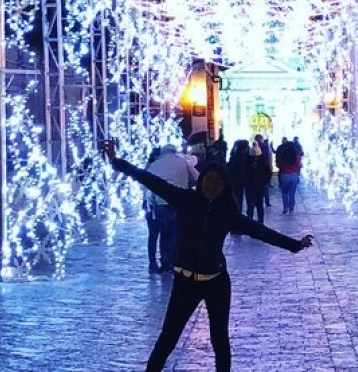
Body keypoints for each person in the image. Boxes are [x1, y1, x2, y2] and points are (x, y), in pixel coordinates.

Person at [102, 140, 313, 372]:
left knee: (219, 340)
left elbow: (260, 231)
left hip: (216, 283)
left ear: (224, 186)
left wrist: (294, 245)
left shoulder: (227, 213)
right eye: (209, 179)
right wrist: (116, 161)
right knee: (168, 339)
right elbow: (150, 180)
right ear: (201, 180)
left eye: (218, 182)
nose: (212, 185)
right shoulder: (186, 200)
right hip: (185, 282)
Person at [147, 143, 199, 271]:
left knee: (164, 233)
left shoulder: (156, 164)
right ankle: (175, 261)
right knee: (176, 232)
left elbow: (147, 183)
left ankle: (165, 262)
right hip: (179, 201)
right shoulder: (182, 162)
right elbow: (198, 176)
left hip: (160, 203)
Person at [144, 147, 163, 273]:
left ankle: (153, 261)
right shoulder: (156, 169)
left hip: (149, 205)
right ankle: (158, 261)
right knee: (159, 233)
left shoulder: (148, 168)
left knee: (153, 234)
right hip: (154, 205)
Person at [243, 142, 270, 224]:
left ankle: (252, 223)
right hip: (256, 187)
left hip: (253, 187)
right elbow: (268, 173)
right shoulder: (262, 163)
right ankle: (259, 223)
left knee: (252, 207)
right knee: (258, 206)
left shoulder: (247, 162)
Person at [277, 139, 301, 214]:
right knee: (292, 193)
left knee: (284, 193)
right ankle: (291, 208)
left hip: (284, 175)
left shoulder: (282, 156)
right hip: (294, 175)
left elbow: (278, 165)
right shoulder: (296, 156)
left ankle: (285, 208)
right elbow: (299, 165)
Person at [226, 139, 249, 212]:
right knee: (238, 198)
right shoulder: (240, 157)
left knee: (237, 198)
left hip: (236, 181)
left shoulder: (236, 155)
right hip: (237, 182)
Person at [255, 134, 273, 207]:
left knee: (262, 187)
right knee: (265, 187)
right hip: (264, 169)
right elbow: (268, 157)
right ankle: (266, 201)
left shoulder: (254, 148)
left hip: (260, 170)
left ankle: (262, 201)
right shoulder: (264, 147)